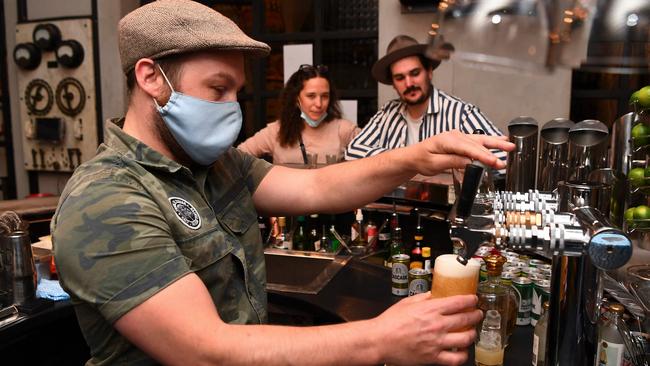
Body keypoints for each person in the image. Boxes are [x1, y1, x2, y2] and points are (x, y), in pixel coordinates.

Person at [51, 1, 514, 365]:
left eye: (237, 91)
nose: (231, 107)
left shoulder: (216, 166)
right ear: (151, 77)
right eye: (217, 89)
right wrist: (380, 339)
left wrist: (415, 155)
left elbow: (317, 188)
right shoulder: (108, 199)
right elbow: (203, 350)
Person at [345, 35, 507, 161]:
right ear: (393, 84)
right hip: (396, 203)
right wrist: (407, 157)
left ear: (429, 72)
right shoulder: (388, 113)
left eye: (415, 73)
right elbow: (352, 151)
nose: (409, 83)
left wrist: (458, 164)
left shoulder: (460, 113)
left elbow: (504, 156)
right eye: (400, 78)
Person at [238, 64, 359, 165]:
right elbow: (239, 156)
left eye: (325, 96)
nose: (319, 103)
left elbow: (375, 158)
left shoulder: (344, 130)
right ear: (296, 99)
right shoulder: (276, 131)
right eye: (311, 96)